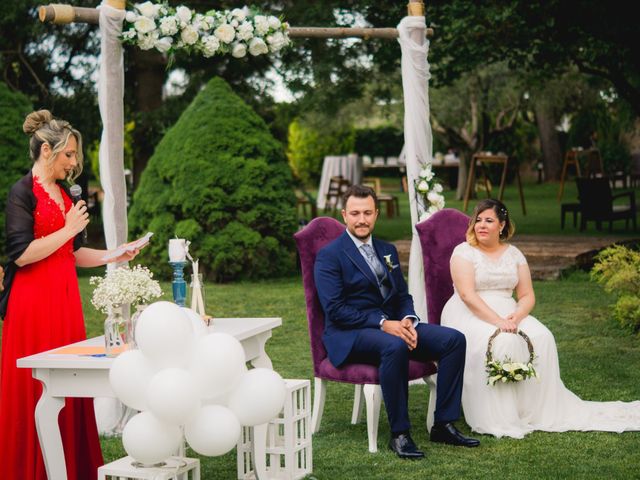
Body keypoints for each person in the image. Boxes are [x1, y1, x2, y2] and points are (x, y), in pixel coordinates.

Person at [0, 110, 141, 479]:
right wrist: (67, 230)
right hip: (32, 304)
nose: (74, 162)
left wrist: (115, 253)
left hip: (64, 302)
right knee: (36, 387)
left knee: (70, 382)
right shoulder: (21, 193)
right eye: (69, 155)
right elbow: (21, 253)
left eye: (75, 155)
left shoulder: (64, 193)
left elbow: (72, 252)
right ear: (46, 150)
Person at [441, 198, 640, 438]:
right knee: (503, 341)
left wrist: (517, 315)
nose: (481, 225)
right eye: (478, 220)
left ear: (502, 225)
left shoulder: (514, 254)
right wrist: (498, 321)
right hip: (469, 312)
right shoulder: (464, 252)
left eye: (489, 220)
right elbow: (467, 295)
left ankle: (537, 411)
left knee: (543, 337)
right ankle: (501, 417)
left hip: (509, 310)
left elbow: (526, 295)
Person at [314, 185, 479, 459]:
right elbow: (335, 310)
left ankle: (444, 424)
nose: (361, 219)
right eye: (355, 213)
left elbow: (402, 295)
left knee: (453, 340)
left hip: (393, 326)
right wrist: (383, 323)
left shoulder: (386, 249)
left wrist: (407, 320)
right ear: (344, 215)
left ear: (376, 214)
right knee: (394, 346)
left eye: (367, 212)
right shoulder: (330, 255)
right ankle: (400, 434)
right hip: (349, 333)